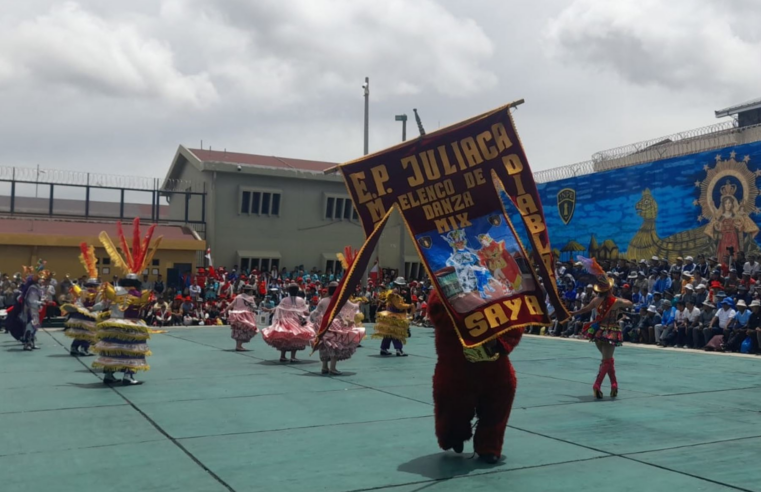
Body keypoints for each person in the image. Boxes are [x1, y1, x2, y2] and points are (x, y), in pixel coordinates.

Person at [91, 219, 161, 386]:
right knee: (132, 350)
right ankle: (128, 376)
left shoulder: (115, 291)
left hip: (114, 324)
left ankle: (108, 375)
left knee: (112, 349)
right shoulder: (141, 294)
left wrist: (93, 308)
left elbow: (103, 305)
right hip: (131, 325)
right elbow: (145, 305)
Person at [569, 258, 633, 399]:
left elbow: (585, 309)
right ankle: (597, 385)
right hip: (611, 331)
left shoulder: (596, 300)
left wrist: (574, 313)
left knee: (607, 360)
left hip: (598, 331)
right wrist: (619, 297)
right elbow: (630, 304)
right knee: (607, 360)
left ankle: (614, 384)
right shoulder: (616, 302)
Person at [311, 282, 366, 375]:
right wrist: (358, 303)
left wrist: (312, 320)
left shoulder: (323, 300)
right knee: (335, 345)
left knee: (325, 345)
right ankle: (333, 368)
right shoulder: (341, 300)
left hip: (324, 324)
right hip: (336, 324)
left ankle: (324, 367)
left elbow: (316, 312)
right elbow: (353, 307)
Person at [61, 243, 104, 356]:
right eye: (90, 286)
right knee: (87, 334)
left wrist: (90, 308)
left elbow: (99, 303)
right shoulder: (84, 293)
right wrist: (83, 308)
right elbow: (81, 302)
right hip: (87, 315)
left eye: (93, 286)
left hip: (87, 314)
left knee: (83, 334)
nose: (91, 288)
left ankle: (76, 348)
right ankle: (82, 349)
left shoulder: (96, 293)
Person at [261, 283, 315, 362]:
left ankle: (283, 356)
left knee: (285, 338)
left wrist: (268, 310)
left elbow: (278, 308)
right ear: (297, 291)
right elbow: (305, 312)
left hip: (286, 321)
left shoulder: (285, 299)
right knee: (295, 338)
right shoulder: (300, 300)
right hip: (297, 321)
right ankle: (293, 357)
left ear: (289, 291)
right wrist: (314, 314)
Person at [373, 277, 413, 356]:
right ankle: (398, 350)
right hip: (395, 316)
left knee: (389, 334)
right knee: (395, 333)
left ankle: (383, 349)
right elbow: (398, 306)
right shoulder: (395, 294)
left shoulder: (394, 293)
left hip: (392, 315)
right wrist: (409, 306)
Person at [224, 284, 258, 351]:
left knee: (238, 330)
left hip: (236, 315)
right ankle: (239, 346)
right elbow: (254, 307)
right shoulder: (250, 298)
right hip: (245, 315)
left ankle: (238, 345)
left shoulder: (238, 296)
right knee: (244, 330)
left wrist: (225, 310)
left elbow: (231, 305)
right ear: (250, 291)